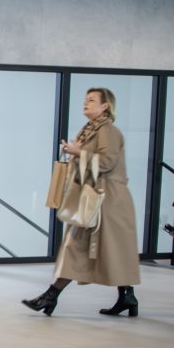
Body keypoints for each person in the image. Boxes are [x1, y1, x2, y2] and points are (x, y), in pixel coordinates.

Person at [22, 88, 142, 317]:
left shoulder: (108, 131)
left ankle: (51, 296)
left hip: (107, 200)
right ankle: (127, 296)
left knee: (81, 246)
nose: (86, 103)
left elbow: (107, 162)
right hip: (96, 198)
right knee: (98, 249)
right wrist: (76, 152)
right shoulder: (91, 129)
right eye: (86, 99)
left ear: (105, 106)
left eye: (92, 100)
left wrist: (78, 152)